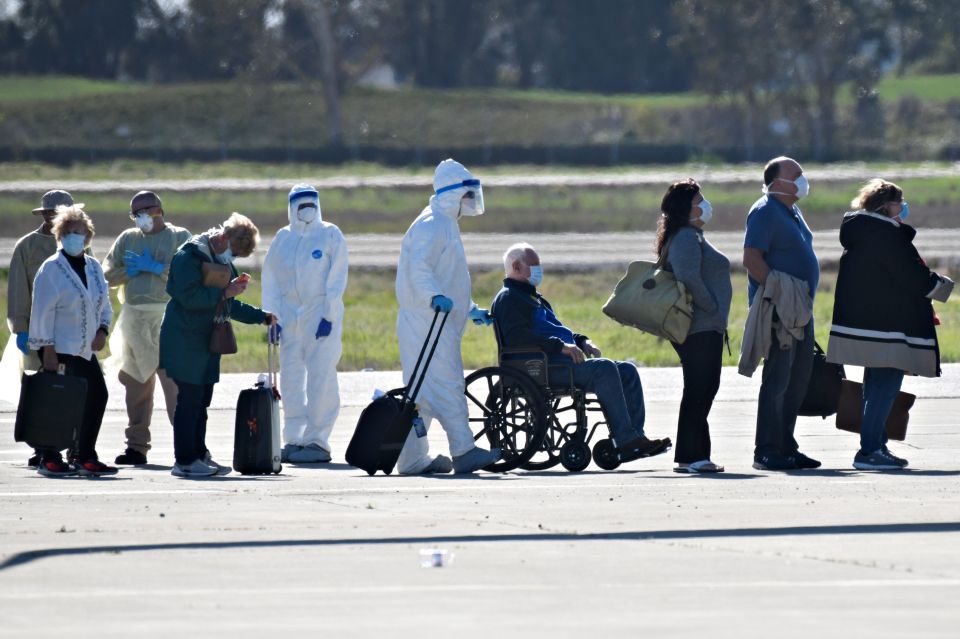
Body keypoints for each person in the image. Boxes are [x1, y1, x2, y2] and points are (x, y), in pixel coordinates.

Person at [492, 243, 671, 463]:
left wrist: (582, 341)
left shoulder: (534, 298)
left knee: (627, 370)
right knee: (604, 369)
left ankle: (635, 437)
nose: (539, 270)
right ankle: (626, 440)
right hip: (539, 367)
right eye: (534, 265)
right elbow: (518, 339)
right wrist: (560, 347)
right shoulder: (509, 298)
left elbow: (560, 330)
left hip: (560, 362)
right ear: (517, 266)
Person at [827, 179, 953, 470]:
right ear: (886, 206)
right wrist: (942, 286)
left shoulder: (863, 232)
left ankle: (876, 445)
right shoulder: (885, 235)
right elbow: (912, 276)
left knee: (875, 386)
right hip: (888, 326)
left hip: (867, 323)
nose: (903, 206)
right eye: (899, 202)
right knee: (884, 386)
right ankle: (870, 450)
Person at [394, 158, 500, 475]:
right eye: (467, 194)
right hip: (428, 322)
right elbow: (419, 268)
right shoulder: (433, 224)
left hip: (434, 319)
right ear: (453, 194)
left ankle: (412, 460)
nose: (471, 201)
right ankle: (464, 450)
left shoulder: (444, 223)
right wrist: (433, 296)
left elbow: (447, 278)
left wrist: (469, 309)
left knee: (422, 393)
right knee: (449, 384)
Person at [159, 213, 277, 478]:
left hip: (207, 344)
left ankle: (199, 454)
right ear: (223, 238)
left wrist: (261, 316)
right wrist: (225, 292)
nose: (232, 260)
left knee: (201, 402)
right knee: (189, 401)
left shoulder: (220, 260)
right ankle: (185, 460)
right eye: (233, 252)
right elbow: (188, 297)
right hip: (184, 341)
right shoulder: (188, 256)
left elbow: (229, 305)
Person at [742, 156, 821, 471]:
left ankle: (786, 445)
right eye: (796, 175)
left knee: (799, 377)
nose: (803, 179)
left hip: (799, 309)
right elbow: (751, 259)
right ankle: (766, 449)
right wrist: (779, 290)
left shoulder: (793, 211)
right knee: (778, 378)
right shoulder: (764, 211)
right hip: (780, 309)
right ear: (777, 183)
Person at [103, 191, 192, 466]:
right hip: (135, 321)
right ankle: (136, 447)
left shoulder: (180, 237)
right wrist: (128, 272)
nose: (141, 216)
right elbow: (106, 273)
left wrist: (155, 267)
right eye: (135, 213)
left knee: (175, 388)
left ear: (159, 209)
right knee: (136, 387)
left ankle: (188, 445)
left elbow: (189, 273)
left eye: (145, 210)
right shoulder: (128, 239)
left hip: (169, 319)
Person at [262, 185, 348, 464]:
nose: (307, 209)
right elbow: (271, 279)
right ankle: (295, 439)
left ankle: (318, 440)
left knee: (321, 377)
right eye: (301, 205)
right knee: (291, 379)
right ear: (291, 208)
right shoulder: (283, 238)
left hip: (319, 313)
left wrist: (330, 316)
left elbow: (336, 280)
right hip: (289, 317)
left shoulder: (330, 234)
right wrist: (272, 316)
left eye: (311, 203)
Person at [28, 205, 116, 477]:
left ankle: (82, 453)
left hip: (85, 350)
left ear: (88, 235)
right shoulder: (51, 268)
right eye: (68, 232)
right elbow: (42, 311)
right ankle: (50, 456)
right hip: (58, 348)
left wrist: (102, 330)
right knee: (57, 402)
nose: (73, 236)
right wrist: (48, 350)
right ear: (59, 235)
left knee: (96, 396)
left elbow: (105, 304)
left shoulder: (92, 266)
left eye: (78, 232)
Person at [5, 190, 87, 468]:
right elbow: (18, 291)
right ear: (46, 215)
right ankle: (42, 447)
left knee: (74, 392)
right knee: (43, 393)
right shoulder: (27, 246)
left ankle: (73, 445)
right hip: (39, 332)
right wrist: (21, 328)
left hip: (72, 333)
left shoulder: (79, 243)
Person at [657, 179, 732, 473]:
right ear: (686, 209)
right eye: (699, 200)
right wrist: (711, 307)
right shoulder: (686, 237)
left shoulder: (693, 235)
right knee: (700, 389)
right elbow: (688, 276)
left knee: (702, 388)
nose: (705, 205)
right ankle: (691, 456)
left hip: (705, 326)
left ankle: (695, 455)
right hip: (698, 327)